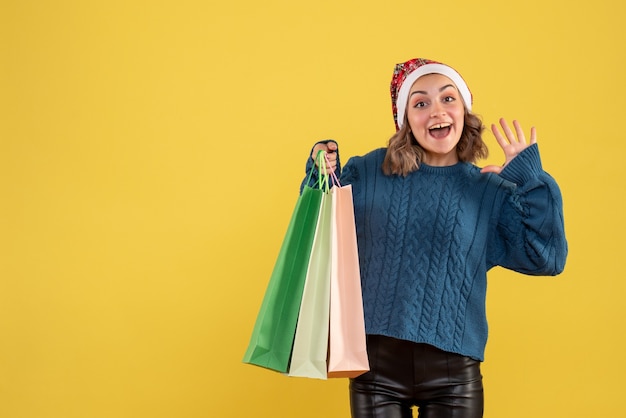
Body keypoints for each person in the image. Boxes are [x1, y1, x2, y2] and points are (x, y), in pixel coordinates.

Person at [300, 58, 568, 418]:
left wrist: (530, 181)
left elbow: (547, 258)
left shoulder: (490, 190)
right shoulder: (368, 171)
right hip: (376, 369)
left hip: (454, 377)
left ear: (465, 109)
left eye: (447, 98)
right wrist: (320, 174)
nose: (436, 111)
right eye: (420, 103)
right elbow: (317, 231)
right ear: (405, 119)